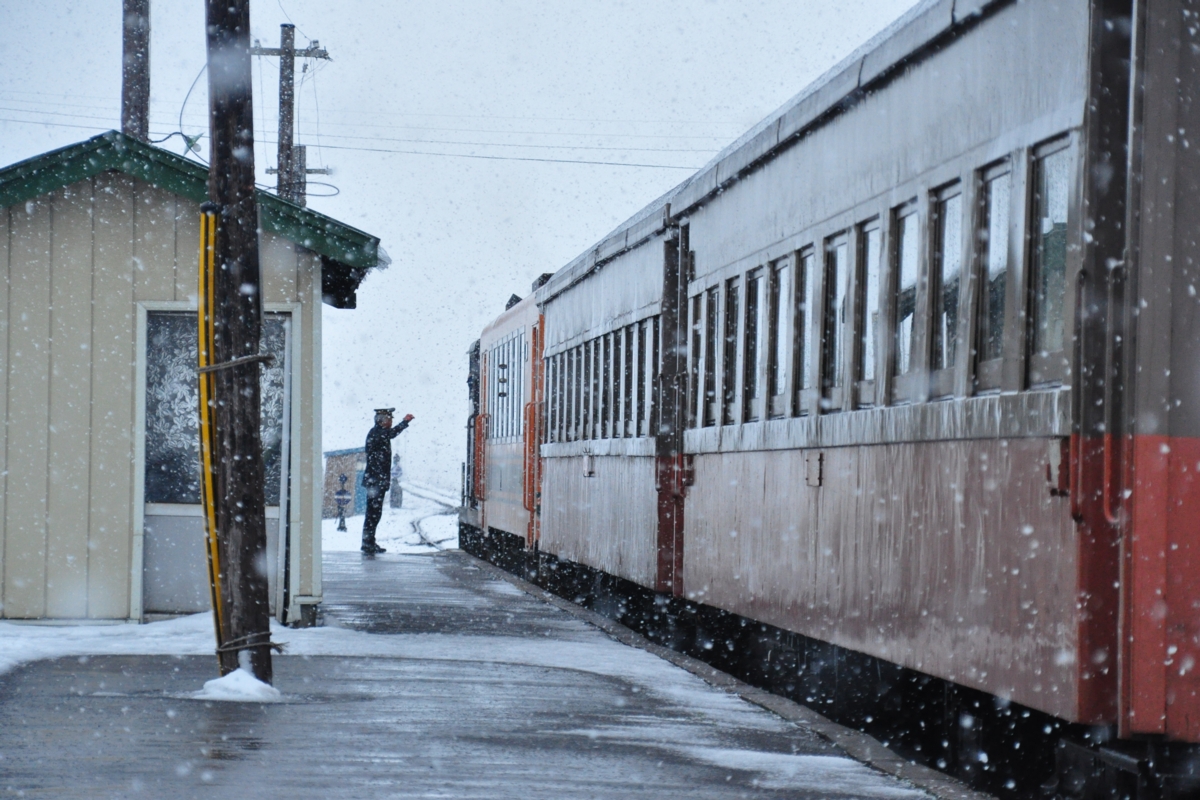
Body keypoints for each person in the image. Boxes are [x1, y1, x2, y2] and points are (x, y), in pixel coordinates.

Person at [361, 408, 414, 554]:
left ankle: (369, 541)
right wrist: (405, 422)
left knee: (374, 513)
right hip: (376, 481)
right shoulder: (378, 433)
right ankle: (367, 543)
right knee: (373, 514)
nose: (391, 422)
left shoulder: (377, 433)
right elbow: (392, 433)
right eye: (389, 419)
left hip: (376, 480)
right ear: (382, 421)